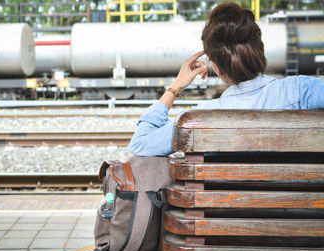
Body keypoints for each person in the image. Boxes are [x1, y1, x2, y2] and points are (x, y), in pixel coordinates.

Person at [129, 2, 324, 157]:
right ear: (259, 50)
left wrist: (175, 87)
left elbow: (140, 144)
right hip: (303, 205)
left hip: (224, 206)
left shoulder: (199, 118)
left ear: (217, 67)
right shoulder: (301, 90)